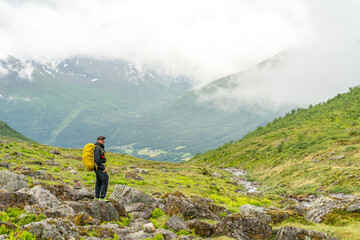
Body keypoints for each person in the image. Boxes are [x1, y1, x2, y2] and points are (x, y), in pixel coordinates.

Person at [94, 135, 109, 201]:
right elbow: (97, 159)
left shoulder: (99, 147)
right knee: (105, 179)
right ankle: (102, 197)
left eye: (103, 139)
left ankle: (96, 197)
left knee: (99, 181)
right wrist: (102, 168)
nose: (103, 140)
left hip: (97, 167)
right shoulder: (98, 148)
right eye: (101, 139)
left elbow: (99, 158)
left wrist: (103, 160)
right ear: (98, 140)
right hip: (98, 167)